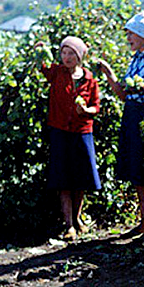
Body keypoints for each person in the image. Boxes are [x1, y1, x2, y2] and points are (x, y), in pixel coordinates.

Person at [96, 12, 144, 236]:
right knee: (137, 170)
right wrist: (109, 75)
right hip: (132, 115)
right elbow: (123, 95)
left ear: (141, 35)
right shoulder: (136, 59)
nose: (128, 38)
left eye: (131, 34)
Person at [38, 36, 101, 241]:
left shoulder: (89, 79)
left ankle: (77, 218)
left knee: (81, 178)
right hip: (60, 131)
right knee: (63, 178)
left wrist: (85, 110)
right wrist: (40, 51)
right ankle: (69, 224)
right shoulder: (56, 72)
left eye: (71, 53)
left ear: (80, 56)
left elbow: (96, 107)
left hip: (82, 132)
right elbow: (43, 66)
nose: (66, 57)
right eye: (64, 53)